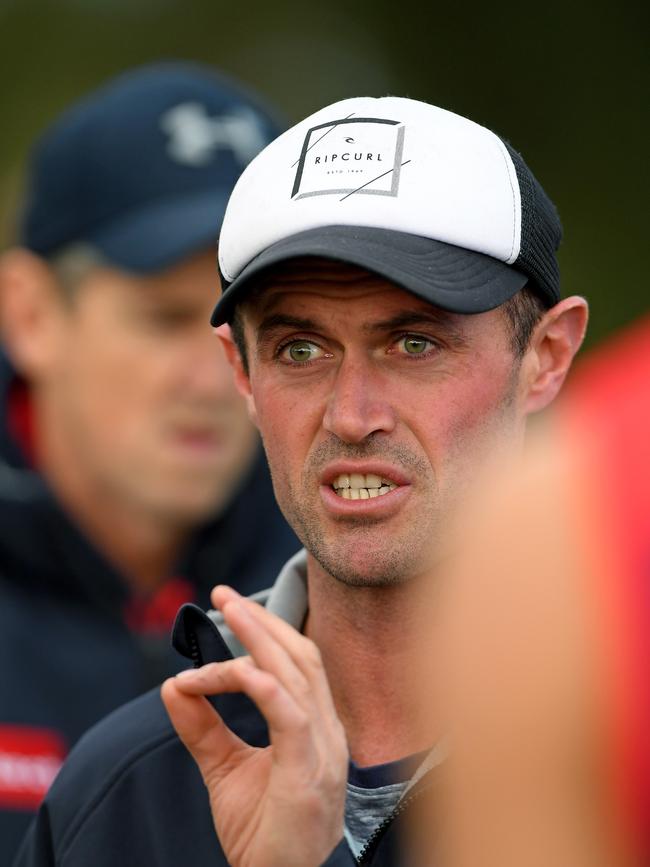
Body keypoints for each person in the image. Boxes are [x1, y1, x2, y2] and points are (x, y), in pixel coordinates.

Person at [14, 96, 588, 867]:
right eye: (301, 351)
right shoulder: (123, 787)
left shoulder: (620, 751)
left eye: (414, 343)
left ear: (546, 355)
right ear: (241, 372)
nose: (352, 415)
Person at [0, 62, 299, 863]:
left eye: (250, 327)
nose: (214, 378)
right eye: (164, 319)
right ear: (31, 313)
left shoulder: (357, 591)